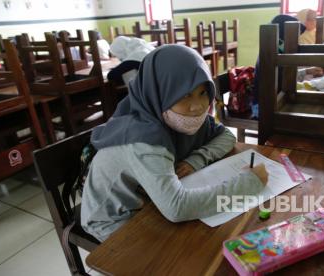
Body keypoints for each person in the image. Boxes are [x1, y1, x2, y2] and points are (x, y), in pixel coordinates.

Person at [81, 45, 268, 242]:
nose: (197, 106)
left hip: (149, 201)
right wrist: (250, 183)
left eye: (203, 92)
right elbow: (177, 208)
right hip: (114, 219)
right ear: (159, 92)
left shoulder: (171, 114)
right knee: (191, 252)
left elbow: (226, 136)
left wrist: (196, 159)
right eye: (184, 95)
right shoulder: (143, 137)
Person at [250, 15, 324, 118]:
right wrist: (323, 82)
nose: (297, 42)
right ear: (283, 38)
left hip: (272, 101)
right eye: (294, 38)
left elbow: (283, 77)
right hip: (263, 108)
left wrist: (306, 71)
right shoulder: (271, 55)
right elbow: (286, 87)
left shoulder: (276, 49)